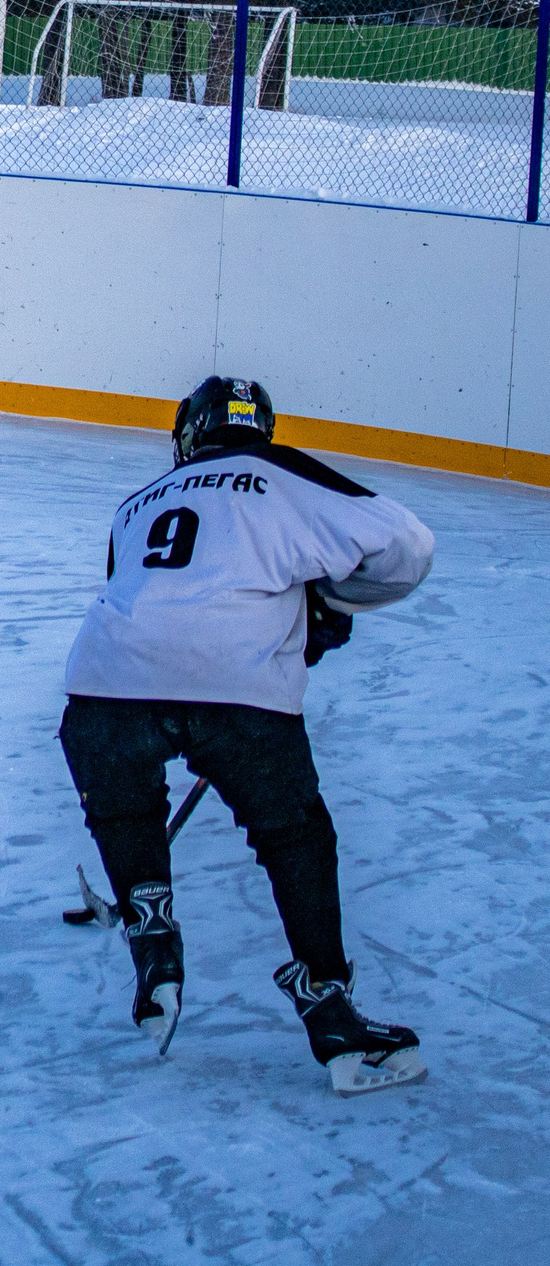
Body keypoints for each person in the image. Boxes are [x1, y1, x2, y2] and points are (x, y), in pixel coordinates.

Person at [59, 376, 435, 1094]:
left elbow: (150, 600)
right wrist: (327, 596)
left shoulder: (135, 505)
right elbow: (409, 546)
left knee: (124, 792)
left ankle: (153, 941)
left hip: (101, 685)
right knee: (293, 832)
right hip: (237, 689)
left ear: (188, 433)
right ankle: (331, 1010)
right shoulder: (281, 472)